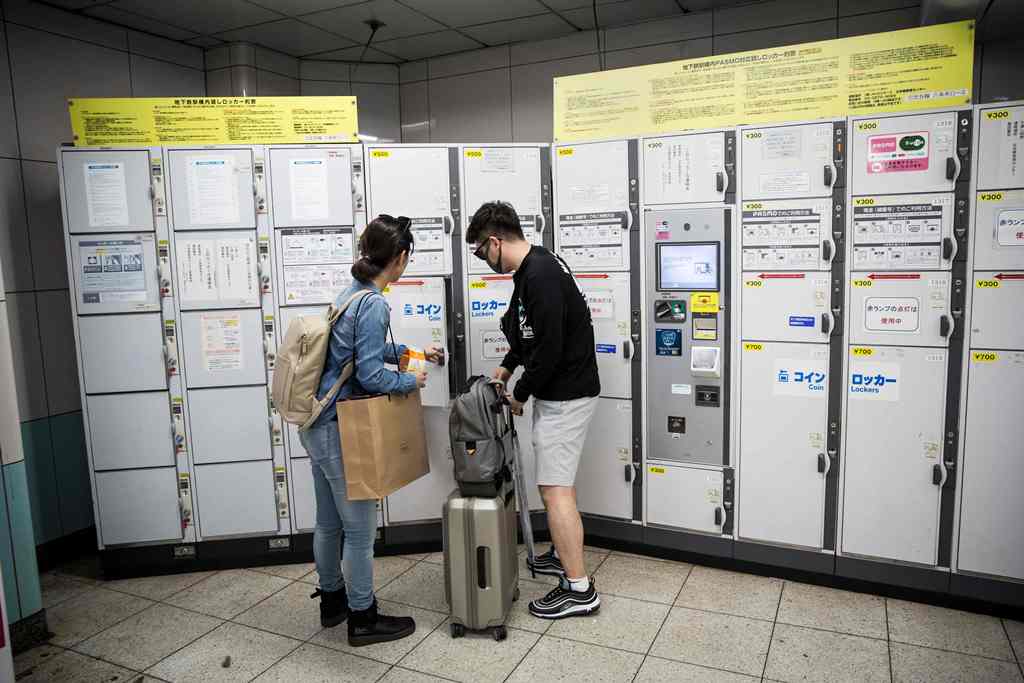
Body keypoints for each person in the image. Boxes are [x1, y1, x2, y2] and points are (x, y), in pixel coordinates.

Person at [303, 214, 442, 646]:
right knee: (360, 532)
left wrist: (410, 352)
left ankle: (333, 602)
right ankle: (363, 618)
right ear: (400, 258)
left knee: (329, 524)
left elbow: (359, 349)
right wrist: (409, 380)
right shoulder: (375, 302)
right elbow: (369, 373)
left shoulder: (352, 293)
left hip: (316, 424)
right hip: (342, 431)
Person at [466, 200, 602, 620]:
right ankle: (565, 558)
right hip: (561, 391)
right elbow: (528, 332)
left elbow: (549, 347)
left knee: (555, 489)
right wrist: (506, 369)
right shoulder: (534, 267)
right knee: (554, 485)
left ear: (494, 240)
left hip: (566, 395)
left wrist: (520, 393)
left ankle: (579, 589)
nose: (482, 260)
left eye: (480, 251)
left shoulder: (539, 274)